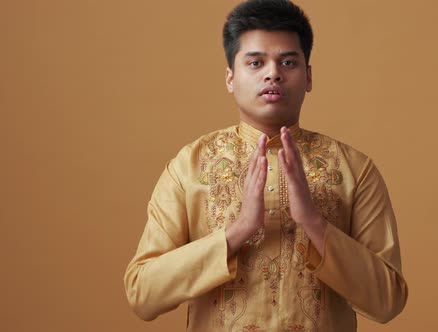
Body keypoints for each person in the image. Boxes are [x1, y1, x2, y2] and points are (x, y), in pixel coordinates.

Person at [123, 0, 409, 330]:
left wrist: (314, 223)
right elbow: (142, 293)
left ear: (309, 76)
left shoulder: (354, 170)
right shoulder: (190, 166)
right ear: (230, 78)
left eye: (288, 62)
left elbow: (388, 301)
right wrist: (236, 233)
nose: (273, 73)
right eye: (256, 62)